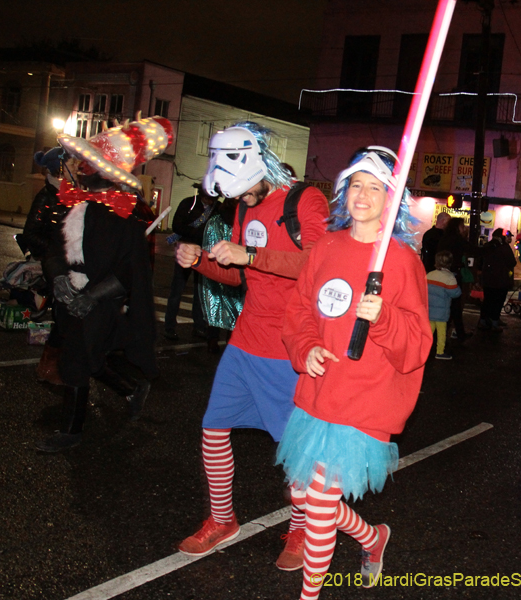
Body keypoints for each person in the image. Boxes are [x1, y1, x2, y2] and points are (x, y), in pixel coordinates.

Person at [276, 146, 431, 599]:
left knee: (320, 504)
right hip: (320, 391)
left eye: (375, 187)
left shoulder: (403, 261)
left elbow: (417, 345)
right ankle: (372, 537)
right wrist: (305, 348)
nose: (363, 195)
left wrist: (382, 317)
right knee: (304, 498)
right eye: (356, 185)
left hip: (366, 398)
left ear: (391, 198)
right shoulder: (326, 246)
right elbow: (301, 310)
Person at [174, 122, 329, 568]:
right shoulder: (243, 209)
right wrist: (202, 260)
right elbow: (243, 274)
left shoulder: (303, 200)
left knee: (294, 451)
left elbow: (319, 266)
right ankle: (222, 519)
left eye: (242, 192)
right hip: (245, 342)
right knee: (213, 428)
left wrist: (251, 255)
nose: (239, 202)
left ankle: (301, 528)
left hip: (289, 348)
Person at [34, 116, 171, 453]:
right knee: (91, 360)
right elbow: (54, 250)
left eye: (88, 164)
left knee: (77, 359)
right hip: (70, 299)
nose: (80, 169)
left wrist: (92, 296)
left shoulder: (124, 221)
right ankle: (130, 390)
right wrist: (59, 280)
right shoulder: (71, 208)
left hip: (100, 304)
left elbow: (131, 272)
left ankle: (71, 430)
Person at [24, 148, 72, 385]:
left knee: (67, 316)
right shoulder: (46, 197)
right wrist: (56, 250)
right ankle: (48, 366)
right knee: (63, 315)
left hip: (70, 264)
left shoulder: (71, 195)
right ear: (59, 169)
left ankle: (60, 364)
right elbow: (30, 234)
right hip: (55, 265)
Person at [163, 185, 214, 340]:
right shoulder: (188, 203)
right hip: (186, 250)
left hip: (204, 253)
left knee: (200, 292)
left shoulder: (217, 209)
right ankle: (169, 327)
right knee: (176, 291)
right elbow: (177, 225)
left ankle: (199, 326)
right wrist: (197, 234)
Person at [198, 194, 244, 353]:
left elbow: (208, 246)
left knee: (215, 305)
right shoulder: (242, 222)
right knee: (236, 308)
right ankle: (230, 343)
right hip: (235, 270)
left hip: (216, 270)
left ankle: (212, 340)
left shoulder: (214, 221)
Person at [438, 217, 472, 341]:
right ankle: (445, 336)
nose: (464, 228)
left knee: (447, 305)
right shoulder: (457, 240)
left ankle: (454, 332)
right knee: (455, 305)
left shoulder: (444, 238)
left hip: (443, 274)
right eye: (463, 226)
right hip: (453, 275)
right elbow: (473, 250)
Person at [478, 228, 516, 331]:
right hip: (501, 281)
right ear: (502, 237)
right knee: (498, 302)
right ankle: (494, 322)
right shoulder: (504, 248)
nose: (509, 239)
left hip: (488, 280)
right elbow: (512, 262)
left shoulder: (487, 246)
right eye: (508, 237)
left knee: (487, 301)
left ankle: (483, 320)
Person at [427, 249, 461, 359]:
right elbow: (456, 293)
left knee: (428, 332)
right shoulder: (449, 277)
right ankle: (440, 352)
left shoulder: (429, 275)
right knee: (441, 333)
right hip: (442, 312)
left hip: (429, 310)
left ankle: (422, 351)